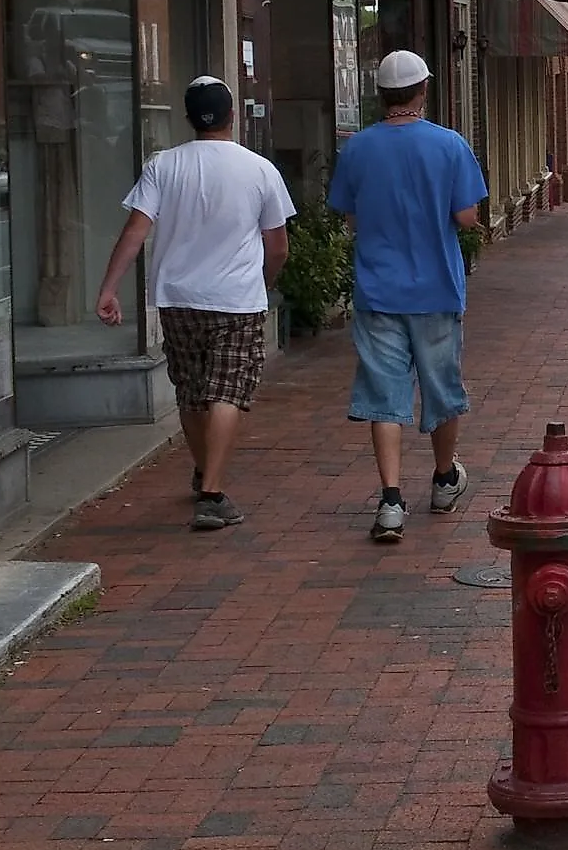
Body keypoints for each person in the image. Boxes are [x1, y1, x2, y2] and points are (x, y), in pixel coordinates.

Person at [94, 76, 293, 531]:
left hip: (177, 297)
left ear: (187, 118)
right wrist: (262, 281)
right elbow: (277, 245)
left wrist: (109, 288)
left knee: (190, 388)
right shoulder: (259, 169)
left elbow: (135, 232)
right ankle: (213, 492)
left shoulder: (163, 166)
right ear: (232, 116)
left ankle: (205, 471)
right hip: (237, 299)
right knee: (228, 391)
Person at [328, 49, 489, 544]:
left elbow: (350, 219)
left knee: (383, 395)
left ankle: (391, 499)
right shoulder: (449, 145)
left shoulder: (356, 149)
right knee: (442, 388)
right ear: (423, 90)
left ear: (381, 95)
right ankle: (443, 480)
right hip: (436, 287)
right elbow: (466, 217)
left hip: (378, 289)